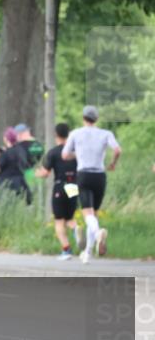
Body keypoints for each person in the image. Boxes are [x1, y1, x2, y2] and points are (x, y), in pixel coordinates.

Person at [62, 105, 121, 264]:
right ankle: (87, 253)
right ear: (97, 119)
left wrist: (78, 154)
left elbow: (65, 154)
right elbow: (117, 150)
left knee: (88, 215)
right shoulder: (106, 133)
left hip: (83, 175)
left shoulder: (75, 133)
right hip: (100, 176)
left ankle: (97, 234)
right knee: (92, 215)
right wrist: (113, 164)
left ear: (83, 118)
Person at [36, 123, 81, 260]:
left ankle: (66, 251)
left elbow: (45, 173)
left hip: (60, 186)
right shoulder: (76, 152)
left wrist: (36, 173)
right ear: (68, 134)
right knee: (70, 218)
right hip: (73, 186)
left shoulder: (54, 152)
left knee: (59, 221)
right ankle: (76, 229)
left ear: (56, 135)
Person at [0, 127, 31, 204]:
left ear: (6, 139)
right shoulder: (21, 151)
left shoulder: (5, 154)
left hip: (7, 185)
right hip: (20, 183)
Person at [14, 123, 44, 199]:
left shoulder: (19, 147)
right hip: (40, 176)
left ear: (20, 134)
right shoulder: (39, 145)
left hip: (25, 177)